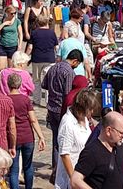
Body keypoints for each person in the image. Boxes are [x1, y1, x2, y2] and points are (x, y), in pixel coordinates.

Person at [71, 111, 123, 189]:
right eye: (121, 133)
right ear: (108, 131)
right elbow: (75, 180)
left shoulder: (120, 148)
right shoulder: (92, 151)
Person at [45, 50, 86, 183]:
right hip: (61, 109)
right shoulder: (68, 72)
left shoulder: (53, 67)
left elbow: (44, 84)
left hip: (51, 107)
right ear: (75, 61)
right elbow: (69, 93)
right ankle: (58, 170)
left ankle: (55, 167)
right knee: (63, 142)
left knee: (56, 139)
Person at [6, 73, 45, 189]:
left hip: (13, 138)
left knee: (14, 169)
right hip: (28, 136)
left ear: (8, 84)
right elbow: (33, 120)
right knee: (28, 166)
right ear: (20, 85)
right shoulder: (25, 100)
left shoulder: (7, 100)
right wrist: (41, 136)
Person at [55, 88, 99, 189]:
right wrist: (74, 180)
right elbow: (65, 155)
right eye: (90, 109)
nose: (92, 112)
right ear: (81, 108)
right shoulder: (68, 124)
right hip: (70, 180)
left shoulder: (84, 119)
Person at [26, 16, 59, 107]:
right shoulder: (52, 33)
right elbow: (56, 47)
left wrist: (25, 56)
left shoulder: (34, 33)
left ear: (37, 23)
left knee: (36, 80)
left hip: (37, 59)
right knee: (48, 81)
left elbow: (30, 47)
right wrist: (58, 58)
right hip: (49, 59)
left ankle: (36, 100)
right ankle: (48, 101)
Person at [0, 5, 22, 70]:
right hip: (3, 46)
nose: (14, 15)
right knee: (1, 68)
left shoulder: (17, 21)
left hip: (13, 46)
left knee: (11, 68)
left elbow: (20, 34)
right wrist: (4, 24)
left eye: (15, 13)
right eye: (12, 13)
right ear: (7, 13)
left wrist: (20, 45)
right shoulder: (2, 21)